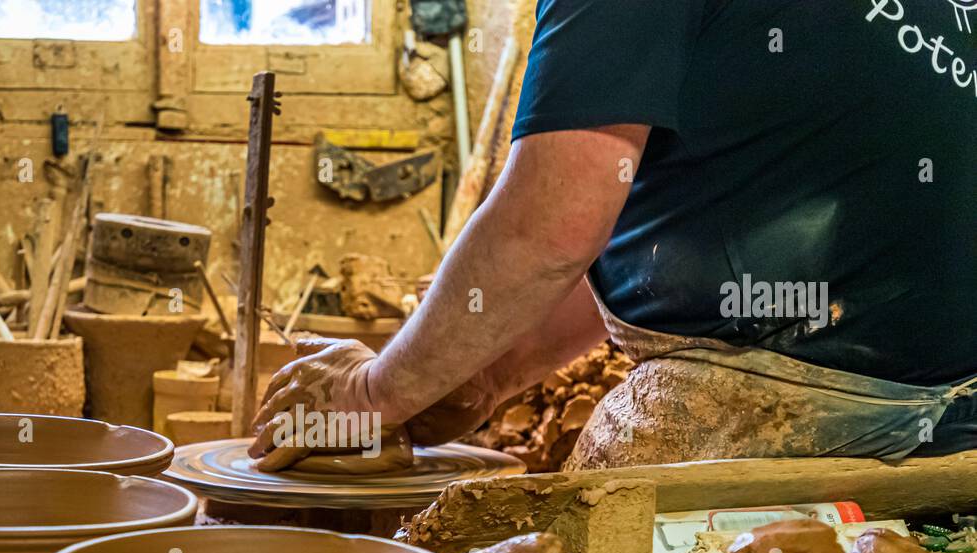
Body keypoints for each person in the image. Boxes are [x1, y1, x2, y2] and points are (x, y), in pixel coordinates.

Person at [251, 0, 975, 472]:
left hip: (777, 441)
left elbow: (553, 224)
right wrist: (492, 374)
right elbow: (664, 226)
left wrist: (373, 391)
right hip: (950, 440)